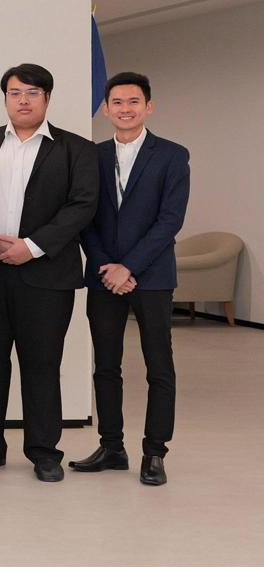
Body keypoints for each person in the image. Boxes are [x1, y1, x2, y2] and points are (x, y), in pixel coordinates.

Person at [0, 63, 97, 482]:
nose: (23, 100)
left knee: (41, 364)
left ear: (47, 99)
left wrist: (31, 247)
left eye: (33, 93)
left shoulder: (75, 149)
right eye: (15, 92)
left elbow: (82, 205)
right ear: (5, 98)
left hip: (47, 276)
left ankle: (43, 451)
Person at [73, 72, 190, 486]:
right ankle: (112, 446)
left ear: (148, 107)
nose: (125, 109)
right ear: (106, 109)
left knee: (159, 366)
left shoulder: (173, 155)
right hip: (104, 276)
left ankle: (155, 452)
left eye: (133, 102)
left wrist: (130, 267)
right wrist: (108, 265)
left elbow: (169, 220)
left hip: (152, 277)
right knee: (106, 366)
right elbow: (84, 215)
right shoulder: (92, 156)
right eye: (117, 102)